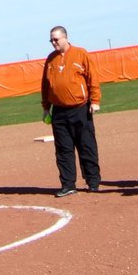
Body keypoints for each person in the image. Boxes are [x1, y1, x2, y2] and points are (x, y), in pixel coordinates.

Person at [41, 26, 101, 196]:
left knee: (86, 145)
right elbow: (45, 85)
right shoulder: (51, 59)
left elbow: (92, 77)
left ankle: (93, 181)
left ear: (65, 38)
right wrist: (46, 108)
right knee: (63, 149)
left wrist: (95, 101)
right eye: (51, 40)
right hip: (59, 112)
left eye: (56, 39)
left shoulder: (80, 54)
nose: (53, 43)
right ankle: (68, 184)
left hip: (80, 108)